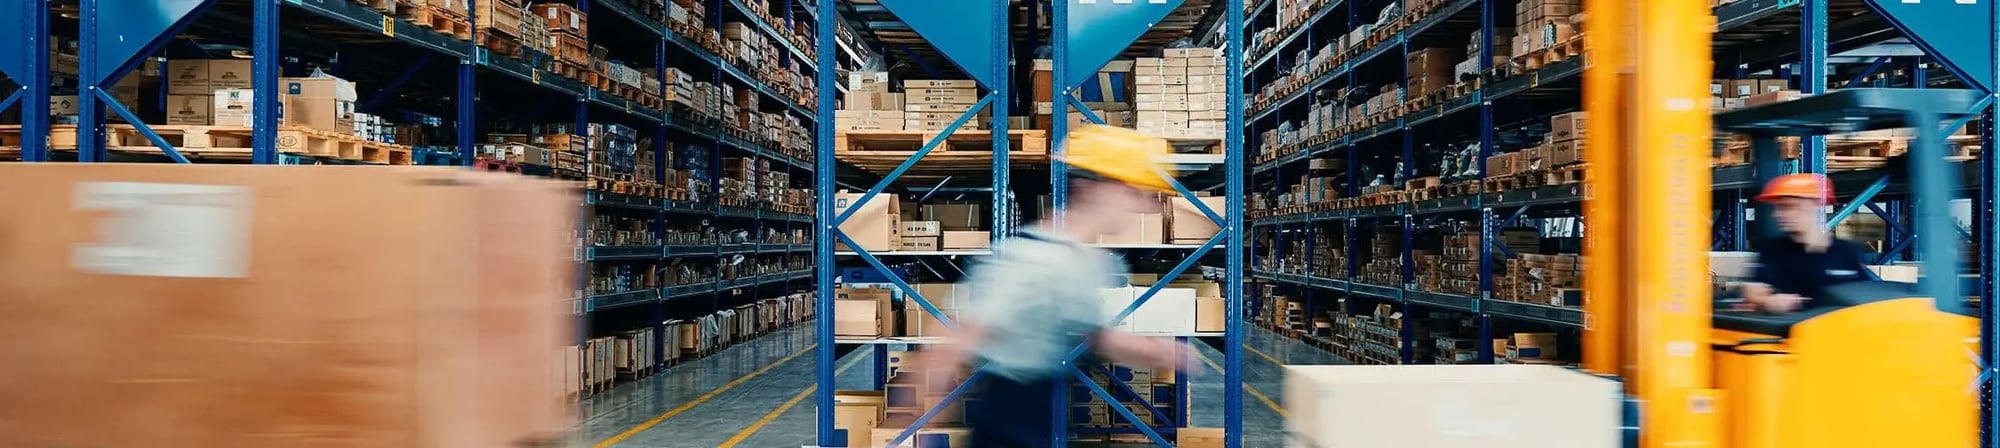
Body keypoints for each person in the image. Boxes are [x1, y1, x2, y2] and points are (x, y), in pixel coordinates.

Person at [925, 125, 1199, 448]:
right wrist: (920, 418)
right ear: (1099, 189)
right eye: (1137, 194)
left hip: (1038, 416)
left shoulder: (1085, 260)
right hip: (1006, 424)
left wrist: (1159, 351)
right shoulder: (1033, 257)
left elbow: (1098, 338)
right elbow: (958, 338)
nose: (1146, 207)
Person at [1739, 173, 1875, 313]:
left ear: (1814, 204)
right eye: (1777, 208)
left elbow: (1866, 296)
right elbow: (1753, 292)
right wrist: (1767, 302)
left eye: (1787, 207)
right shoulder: (1772, 250)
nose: (1777, 215)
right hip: (1792, 330)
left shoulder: (1846, 252)